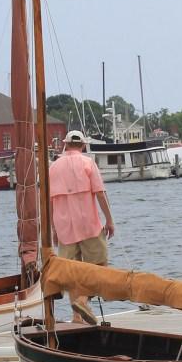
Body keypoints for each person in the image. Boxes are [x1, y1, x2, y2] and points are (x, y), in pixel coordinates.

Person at [48, 129, 115, 325]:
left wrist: (53, 229)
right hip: (89, 223)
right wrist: (109, 220)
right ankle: (83, 301)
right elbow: (100, 193)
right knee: (100, 266)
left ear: (65, 144)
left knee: (72, 272)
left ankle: (76, 318)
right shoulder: (88, 163)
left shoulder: (53, 167)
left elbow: (49, 201)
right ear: (83, 145)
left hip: (64, 226)